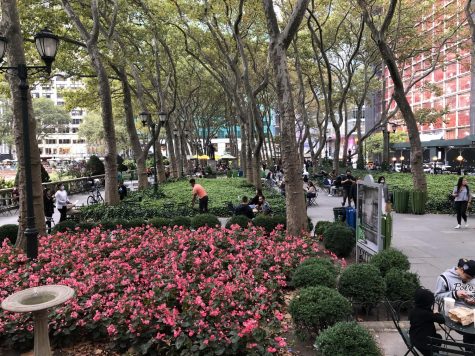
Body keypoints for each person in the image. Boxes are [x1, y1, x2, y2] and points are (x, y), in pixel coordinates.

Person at [434, 258, 475, 345]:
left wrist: (472, 300)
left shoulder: (472, 277)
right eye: (467, 278)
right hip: (455, 314)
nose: (468, 281)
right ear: (461, 269)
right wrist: (455, 294)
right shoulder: (444, 278)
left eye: (471, 279)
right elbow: (437, 297)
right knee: (471, 334)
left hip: (472, 311)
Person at [409, 288, 445, 356]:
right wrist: (436, 312)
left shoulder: (413, 310)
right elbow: (442, 320)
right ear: (427, 304)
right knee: (438, 338)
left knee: (438, 337)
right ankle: (433, 354)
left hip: (414, 337)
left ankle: (434, 352)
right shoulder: (426, 314)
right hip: (424, 345)